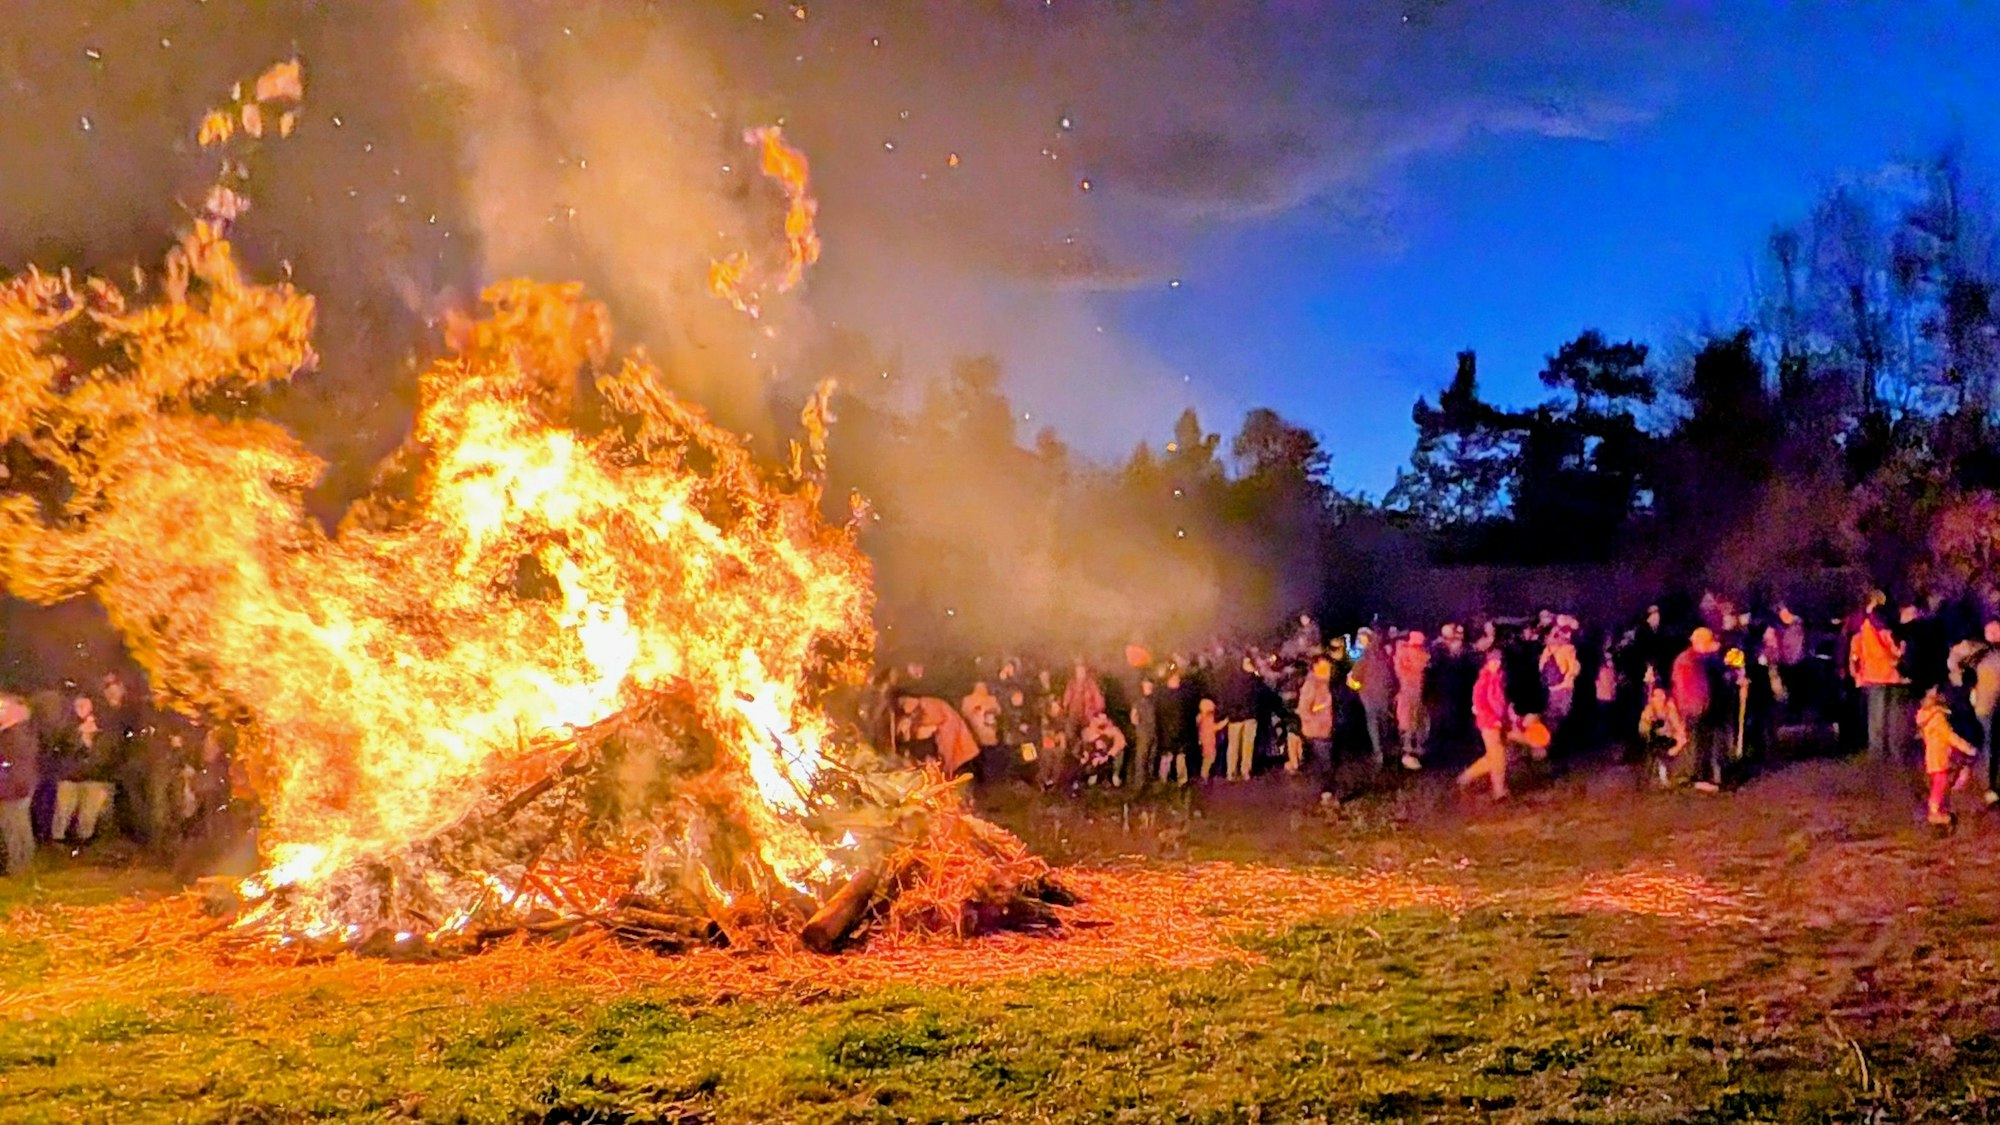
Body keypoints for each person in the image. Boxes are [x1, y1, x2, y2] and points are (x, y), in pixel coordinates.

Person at [50, 693, 119, 845]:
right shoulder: (66, 727)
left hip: (94, 777)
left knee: (88, 815)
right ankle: (57, 844)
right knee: (63, 812)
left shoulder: (103, 728)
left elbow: (106, 755)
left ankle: (82, 846)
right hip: (69, 777)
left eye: (84, 705)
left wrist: (89, 740)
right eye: (77, 705)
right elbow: (59, 749)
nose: (81, 708)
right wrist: (78, 736)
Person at [1672, 628, 1727, 793]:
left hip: (1703, 706)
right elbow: (1686, 686)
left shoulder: (1696, 658)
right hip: (1694, 707)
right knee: (1697, 744)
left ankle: (1705, 775)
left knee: (1707, 742)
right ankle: (1696, 777)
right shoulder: (1688, 659)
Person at [1850, 606, 1908, 761]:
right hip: (1889, 676)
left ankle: (1877, 751)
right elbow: (1894, 652)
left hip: (1871, 677)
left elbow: (1856, 653)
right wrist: (1901, 650)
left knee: (1876, 716)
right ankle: (1890, 751)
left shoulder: (1862, 632)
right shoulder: (1884, 631)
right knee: (1889, 716)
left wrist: (1857, 673)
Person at [1916, 686, 1977, 827]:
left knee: (1941, 783)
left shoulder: (1924, 716)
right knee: (1940, 783)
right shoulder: (1937, 718)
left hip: (1933, 756)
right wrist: (1967, 748)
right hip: (1940, 757)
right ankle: (1935, 812)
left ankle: (1939, 809)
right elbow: (1949, 736)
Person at [1457, 649, 1512, 800]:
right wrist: (1493, 718)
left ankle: (1466, 777)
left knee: (1493, 756)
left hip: (1498, 722)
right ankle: (1498, 791)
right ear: (1487, 663)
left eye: (1498, 661)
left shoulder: (1498, 678)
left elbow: (1501, 701)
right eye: (1493, 661)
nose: (1496, 664)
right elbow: (1479, 703)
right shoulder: (1484, 680)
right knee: (1498, 756)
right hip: (1489, 724)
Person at [892, 694, 982, 777]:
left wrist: (946, 769)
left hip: (961, 762)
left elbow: (948, 741)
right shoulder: (915, 720)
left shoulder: (930, 709)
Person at [0, 695, 36, 876]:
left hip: (13, 787)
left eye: (2, 708)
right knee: (19, 826)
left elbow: (10, 762)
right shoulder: (17, 731)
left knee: (13, 828)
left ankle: (17, 867)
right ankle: (23, 864)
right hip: (18, 785)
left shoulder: (14, 734)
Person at [1351, 627, 1395, 768]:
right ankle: (1385, 747)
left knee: (1373, 721)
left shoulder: (1364, 656)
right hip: (1383, 693)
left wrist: (1354, 685)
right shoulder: (1383, 654)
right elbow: (1390, 674)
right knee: (1383, 720)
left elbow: (1356, 676)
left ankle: (1378, 751)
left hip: (1369, 694)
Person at [1215, 654, 1261, 782]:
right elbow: (1229, 698)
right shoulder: (1238, 680)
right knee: (1234, 746)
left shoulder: (1253, 679)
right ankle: (1232, 772)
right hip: (1239, 716)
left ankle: (1244, 771)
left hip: (1248, 716)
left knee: (1247, 746)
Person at [1297, 656, 1337, 802]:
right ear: (1315, 668)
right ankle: (1325, 791)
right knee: (1324, 762)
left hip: (1326, 729)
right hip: (1317, 731)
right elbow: (1303, 709)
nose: (1327, 670)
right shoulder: (1312, 684)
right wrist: (1317, 717)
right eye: (1323, 667)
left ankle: (1325, 790)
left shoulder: (1326, 683)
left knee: (1325, 761)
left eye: (1328, 667)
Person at [1638, 683, 1688, 788]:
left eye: (1662, 695)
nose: (1661, 698)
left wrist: (1680, 735)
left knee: (1679, 744)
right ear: (1652, 698)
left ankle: (1675, 775)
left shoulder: (1669, 708)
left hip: (1668, 739)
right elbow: (1644, 729)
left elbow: (1677, 725)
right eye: (1658, 696)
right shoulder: (1649, 711)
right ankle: (1662, 777)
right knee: (1661, 750)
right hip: (1654, 741)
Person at [1393, 630, 1431, 770]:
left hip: (1407, 692)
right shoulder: (1418, 655)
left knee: (1407, 721)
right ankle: (1411, 751)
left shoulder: (1401, 655)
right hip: (1413, 693)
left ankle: (1409, 749)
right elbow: (1424, 663)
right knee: (1413, 721)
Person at [1156, 667, 1194, 786]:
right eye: (1176, 678)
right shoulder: (1163, 696)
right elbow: (1162, 714)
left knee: (1181, 756)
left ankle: (1181, 780)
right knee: (1167, 756)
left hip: (1180, 730)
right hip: (1168, 730)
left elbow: (1186, 713)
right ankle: (1163, 779)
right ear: (1170, 680)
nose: (1178, 681)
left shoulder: (1182, 695)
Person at [959, 681, 1002, 779]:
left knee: (988, 763)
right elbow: (963, 716)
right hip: (976, 739)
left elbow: (999, 714)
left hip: (988, 739)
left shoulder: (992, 700)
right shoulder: (968, 701)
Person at [1076, 710, 1127, 787]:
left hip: (1108, 756)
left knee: (1120, 751)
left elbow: (1121, 742)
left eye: (1105, 719)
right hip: (1093, 757)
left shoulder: (1113, 729)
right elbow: (1086, 744)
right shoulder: (1088, 730)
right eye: (1101, 719)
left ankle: (1115, 775)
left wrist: (1108, 755)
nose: (1104, 721)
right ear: (1095, 719)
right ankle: (1092, 774)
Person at [1128, 678, 1159, 790]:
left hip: (1153, 731)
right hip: (1143, 732)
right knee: (1141, 758)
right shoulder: (1138, 700)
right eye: (1146, 684)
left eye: (1150, 684)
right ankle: (1139, 783)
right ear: (1143, 685)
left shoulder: (1155, 700)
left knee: (1152, 756)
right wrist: (1138, 726)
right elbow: (1133, 717)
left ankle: (1148, 781)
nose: (1149, 686)